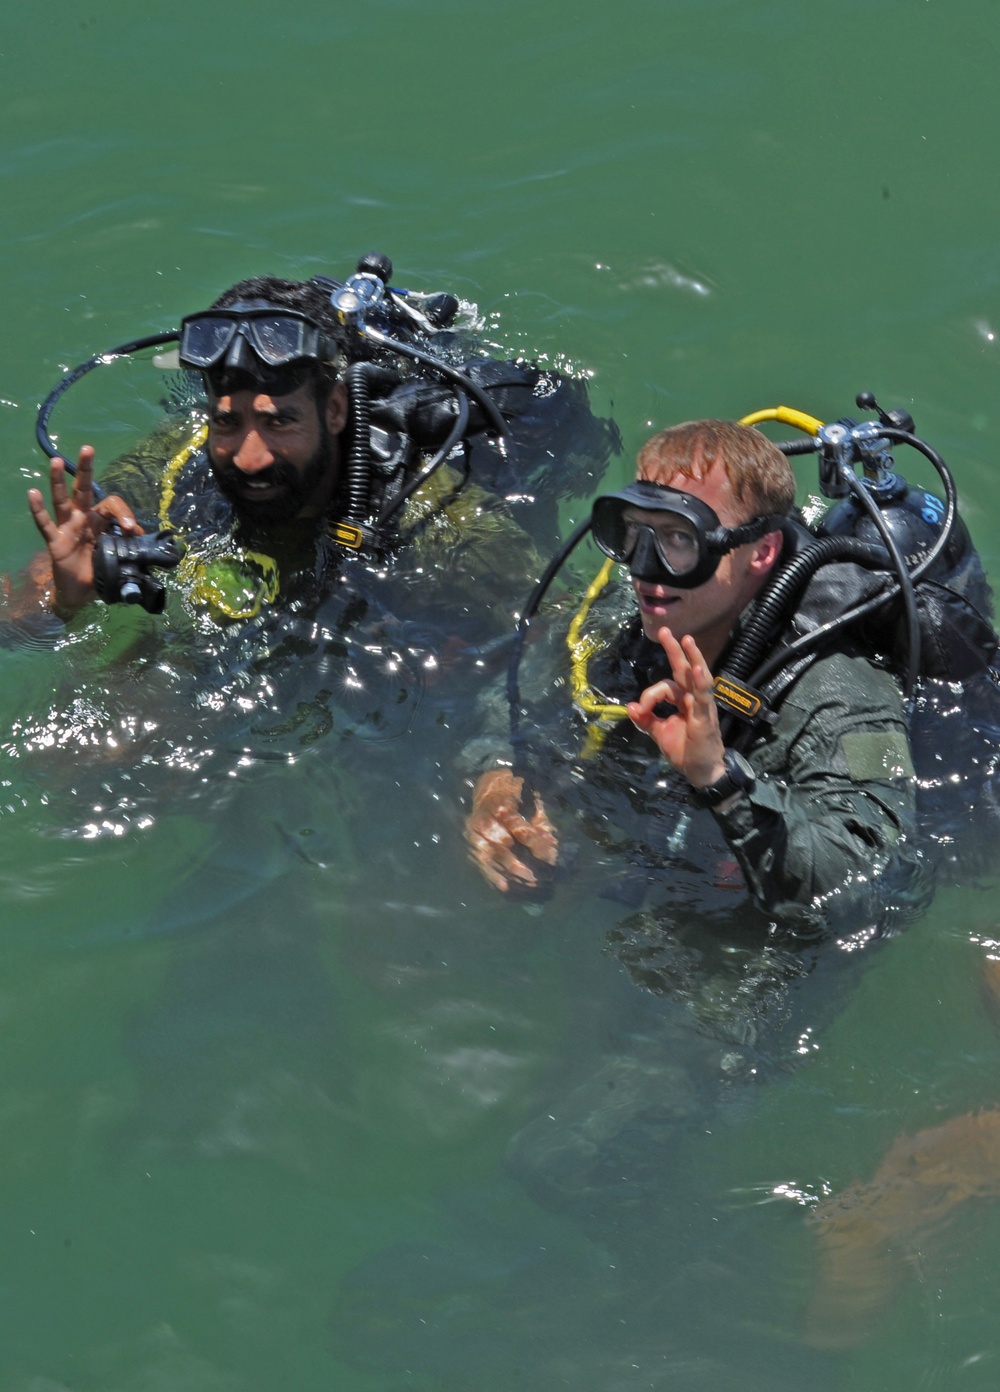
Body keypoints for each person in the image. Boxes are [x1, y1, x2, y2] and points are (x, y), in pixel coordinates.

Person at [463, 418, 924, 936]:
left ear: (762, 551)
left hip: (753, 934)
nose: (644, 568)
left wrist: (719, 778)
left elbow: (869, 881)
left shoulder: (837, 693)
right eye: (635, 533)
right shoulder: (626, 617)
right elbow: (514, 700)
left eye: (679, 538)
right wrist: (496, 782)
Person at [13, 272, 563, 644]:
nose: (249, 457)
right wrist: (60, 599)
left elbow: (558, 634)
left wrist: (495, 766)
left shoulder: (438, 517)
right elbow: (12, 626)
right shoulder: (175, 460)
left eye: (280, 421)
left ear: (337, 410)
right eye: (227, 422)